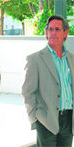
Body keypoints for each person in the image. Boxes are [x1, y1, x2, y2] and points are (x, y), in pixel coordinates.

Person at [22, 15, 74, 147]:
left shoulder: (72, 59)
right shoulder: (35, 59)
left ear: (65, 33)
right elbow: (28, 92)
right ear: (46, 32)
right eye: (50, 29)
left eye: (57, 29)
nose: (53, 32)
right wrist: (35, 119)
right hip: (46, 120)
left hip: (69, 120)